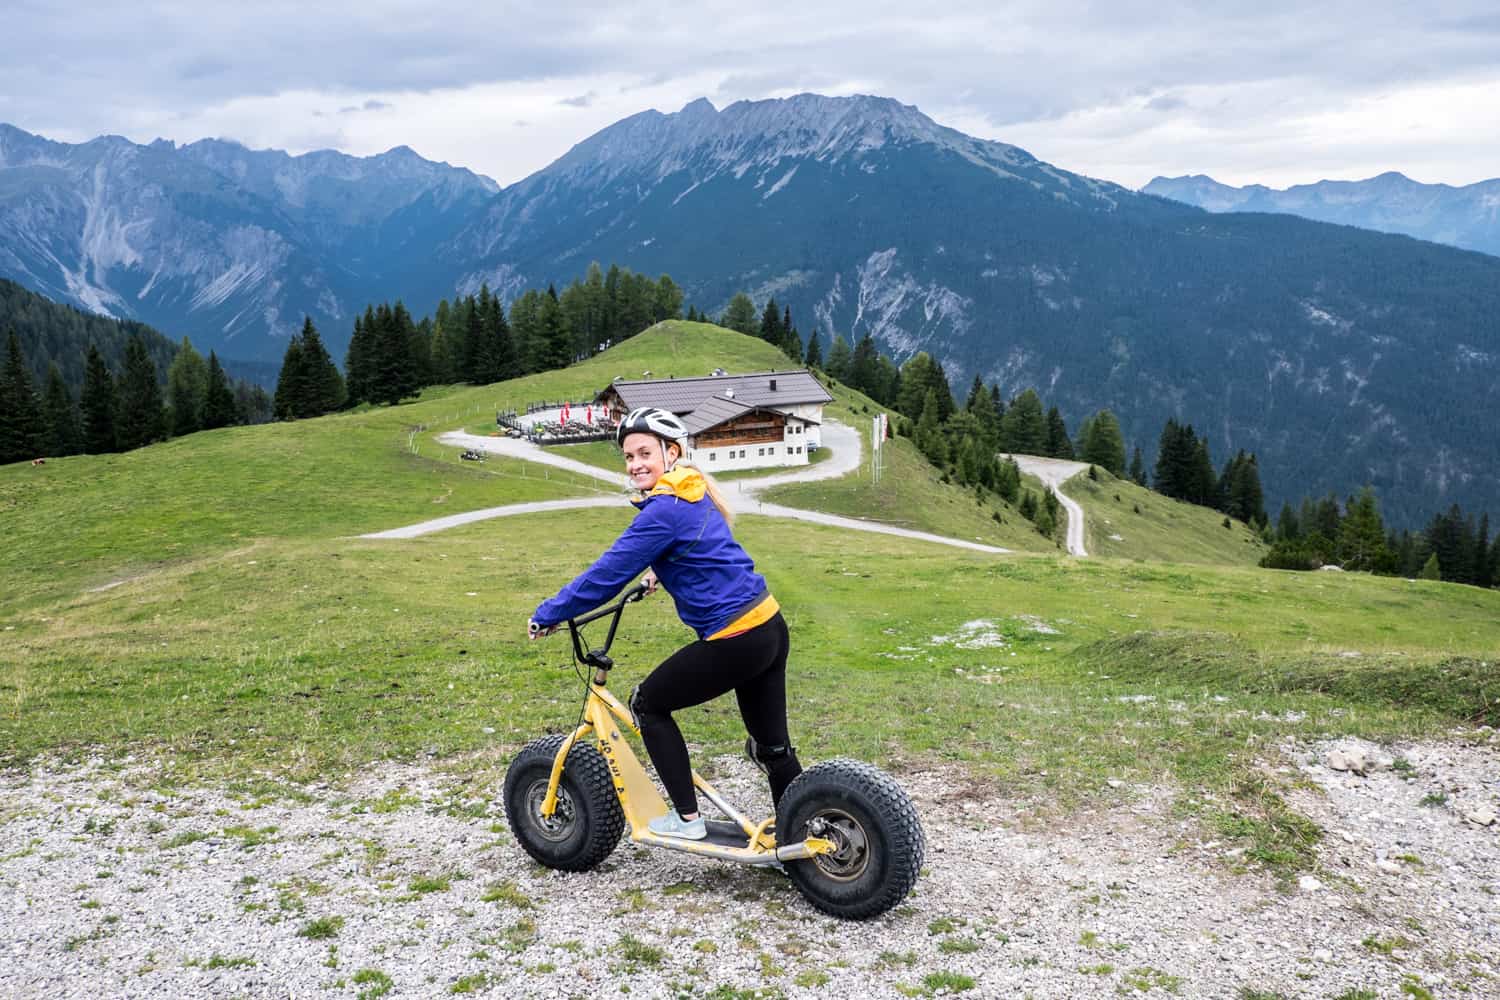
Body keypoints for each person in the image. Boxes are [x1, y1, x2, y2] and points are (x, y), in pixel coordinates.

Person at [528, 406, 802, 840]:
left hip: (734, 637)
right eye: (628, 457)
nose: (635, 464)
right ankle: (803, 834)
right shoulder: (693, 491)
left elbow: (605, 576)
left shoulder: (662, 510)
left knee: (649, 704)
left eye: (644, 453)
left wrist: (548, 613)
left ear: (670, 452)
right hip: (768, 627)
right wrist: (661, 568)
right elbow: (702, 543)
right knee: (772, 748)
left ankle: (688, 821)